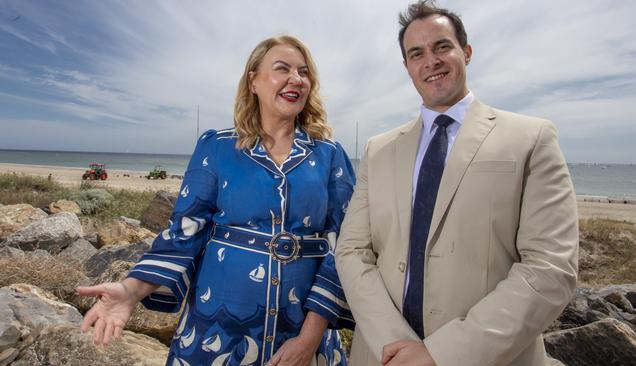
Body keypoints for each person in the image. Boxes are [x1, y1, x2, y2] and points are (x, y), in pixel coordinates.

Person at [78, 35, 355, 366]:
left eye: (304, 72)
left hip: (305, 334)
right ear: (253, 81)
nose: (296, 79)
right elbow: (184, 234)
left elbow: (344, 247)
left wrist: (309, 339)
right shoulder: (217, 147)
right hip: (215, 331)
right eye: (282, 69)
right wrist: (131, 291)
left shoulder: (330, 154)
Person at [334, 1, 579, 365]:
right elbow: (352, 252)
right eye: (416, 53)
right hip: (385, 356)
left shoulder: (531, 138)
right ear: (407, 67)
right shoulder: (378, 150)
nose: (430, 60)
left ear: (466, 52)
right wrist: (395, 344)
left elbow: (550, 269)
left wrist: (439, 355)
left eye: (442, 46)